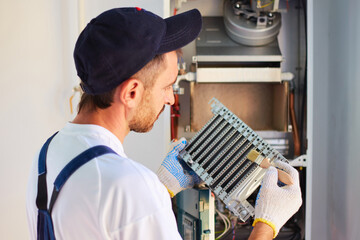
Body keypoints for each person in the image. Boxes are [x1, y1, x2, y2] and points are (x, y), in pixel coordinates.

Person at [26, 7, 302, 240]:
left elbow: (102, 221)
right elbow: (120, 200)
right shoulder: (130, 187)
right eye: (167, 86)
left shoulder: (49, 154)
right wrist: (266, 225)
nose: (171, 99)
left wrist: (161, 186)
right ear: (131, 92)